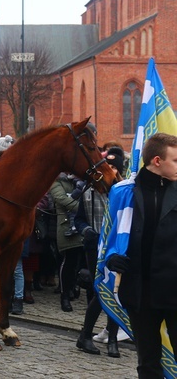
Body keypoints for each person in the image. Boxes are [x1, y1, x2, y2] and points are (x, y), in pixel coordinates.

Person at [104, 133, 177, 378]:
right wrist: (111, 257)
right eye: (176, 160)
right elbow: (110, 234)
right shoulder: (123, 192)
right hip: (139, 292)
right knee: (147, 362)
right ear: (157, 160)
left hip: (174, 289)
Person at [74, 147, 125, 357]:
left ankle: (112, 337)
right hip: (94, 247)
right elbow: (78, 218)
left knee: (115, 292)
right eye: (108, 165)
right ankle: (86, 335)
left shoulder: (122, 192)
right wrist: (87, 231)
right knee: (98, 291)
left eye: (114, 167)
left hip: (116, 249)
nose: (110, 170)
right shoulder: (89, 190)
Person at [50, 172, 84, 312]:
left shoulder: (80, 182)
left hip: (81, 226)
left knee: (78, 262)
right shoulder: (57, 182)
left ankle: (73, 287)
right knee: (67, 262)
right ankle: (64, 295)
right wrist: (83, 208)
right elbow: (62, 199)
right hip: (66, 228)